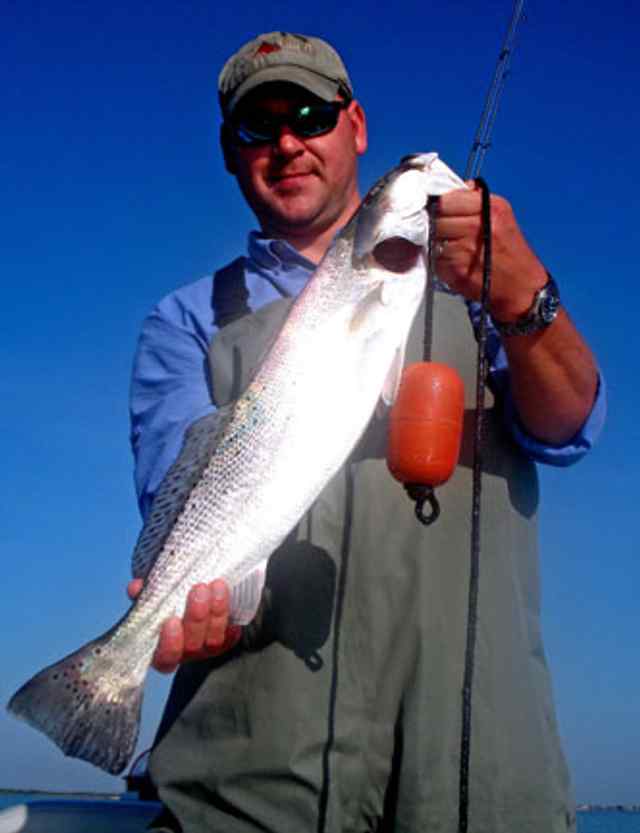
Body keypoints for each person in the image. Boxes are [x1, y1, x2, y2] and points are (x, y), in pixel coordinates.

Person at [128, 32, 604, 833]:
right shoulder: (186, 322)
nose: (287, 142)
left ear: (356, 127)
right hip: (253, 784)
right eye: (258, 126)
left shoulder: (481, 286)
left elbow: (570, 425)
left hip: (472, 771)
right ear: (230, 152)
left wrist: (525, 298)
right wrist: (188, 604)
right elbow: (172, 495)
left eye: (311, 116)